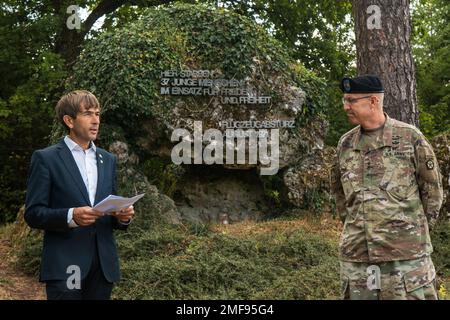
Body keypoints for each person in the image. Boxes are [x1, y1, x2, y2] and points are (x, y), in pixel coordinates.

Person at [331, 75, 443, 300]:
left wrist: (410, 233)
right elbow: (340, 197)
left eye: (351, 100)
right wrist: (360, 228)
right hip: (358, 260)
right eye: (345, 100)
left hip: (406, 261)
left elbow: (433, 193)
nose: (345, 106)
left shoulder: (411, 139)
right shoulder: (345, 144)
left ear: (373, 101)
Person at [25, 90, 135, 300]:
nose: (96, 120)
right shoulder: (46, 158)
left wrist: (123, 217)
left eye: (98, 114)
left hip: (103, 267)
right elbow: (33, 213)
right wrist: (71, 216)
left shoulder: (108, 159)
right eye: (88, 114)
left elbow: (110, 209)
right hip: (66, 264)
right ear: (69, 120)